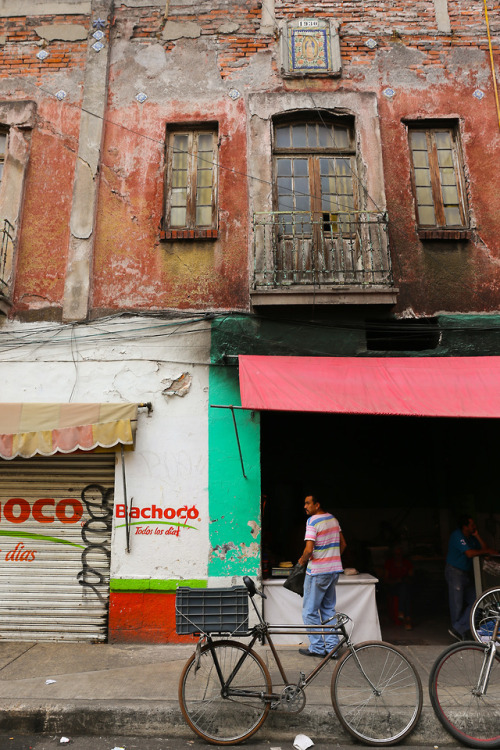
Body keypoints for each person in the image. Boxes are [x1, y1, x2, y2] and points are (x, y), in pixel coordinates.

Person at [298, 494, 346, 657]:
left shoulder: (312, 521)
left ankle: (317, 648)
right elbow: (343, 544)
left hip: (318, 572)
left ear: (317, 505)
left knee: (309, 612)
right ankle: (333, 648)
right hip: (333, 571)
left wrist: (302, 561)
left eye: (308, 503)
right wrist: (332, 558)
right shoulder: (333, 519)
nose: (305, 506)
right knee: (328, 610)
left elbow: (309, 549)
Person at [445, 514, 498, 641]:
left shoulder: (471, 538)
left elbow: (486, 549)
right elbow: (469, 553)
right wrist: (485, 552)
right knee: (456, 604)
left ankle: (458, 629)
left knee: (478, 599)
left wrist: (477, 535)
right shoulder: (457, 535)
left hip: (466, 574)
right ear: (465, 527)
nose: (475, 526)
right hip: (455, 572)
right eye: (472, 525)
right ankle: (457, 634)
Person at [384, 545, 413, 630]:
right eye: (396, 554)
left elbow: (411, 577)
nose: (398, 556)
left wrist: (403, 580)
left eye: (400, 554)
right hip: (393, 586)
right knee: (404, 591)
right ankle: (407, 618)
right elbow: (385, 579)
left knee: (404, 590)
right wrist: (396, 581)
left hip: (405, 586)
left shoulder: (407, 563)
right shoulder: (389, 563)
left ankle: (401, 612)